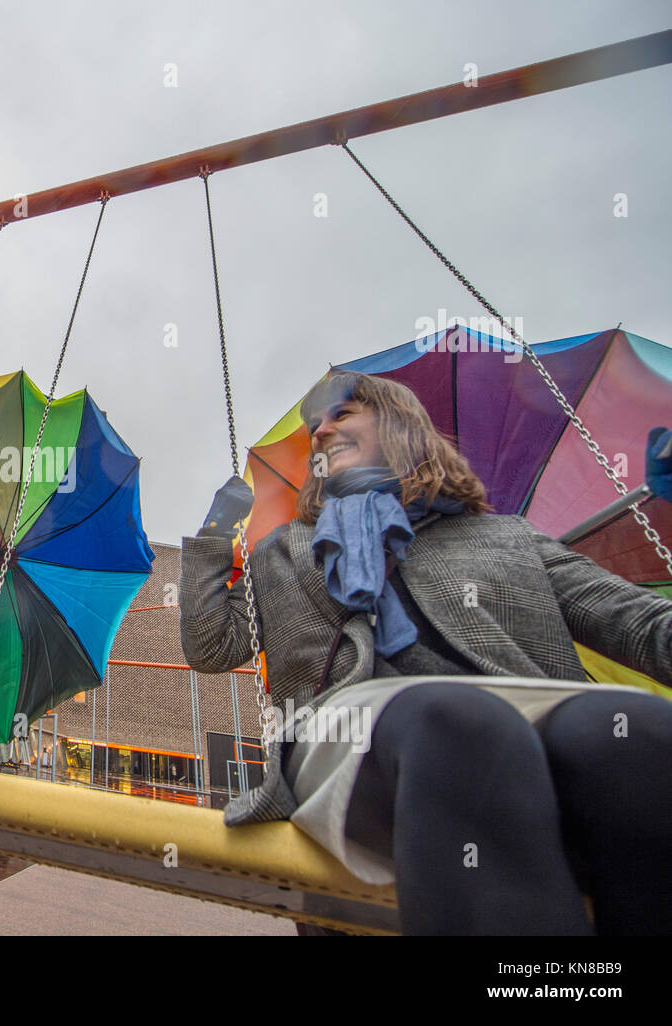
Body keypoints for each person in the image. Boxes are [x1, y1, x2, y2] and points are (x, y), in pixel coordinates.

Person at [179, 371, 672, 935]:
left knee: (636, 730)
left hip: (529, 709)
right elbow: (212, 646)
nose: (320, 432)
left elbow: (651, 631)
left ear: (401, 424)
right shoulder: (286, 551)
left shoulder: (511, 538)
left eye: (342, 414)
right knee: (458, 721)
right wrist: (218, 535)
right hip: (351, 731)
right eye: (316, 425)